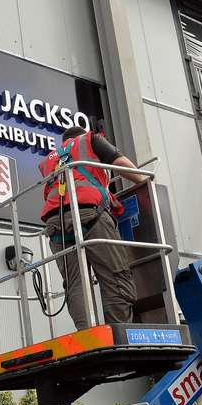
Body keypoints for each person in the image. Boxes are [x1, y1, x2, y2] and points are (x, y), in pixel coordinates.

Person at [38, 126, 148, 330]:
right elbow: (120, 162)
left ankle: (88, 335)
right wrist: (146, 181)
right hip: (90, 215)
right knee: (116, 277)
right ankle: (119, 334)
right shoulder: (90, 140)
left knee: (75, 284)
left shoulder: (49, 160)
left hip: (56, 225)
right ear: (80, 136)